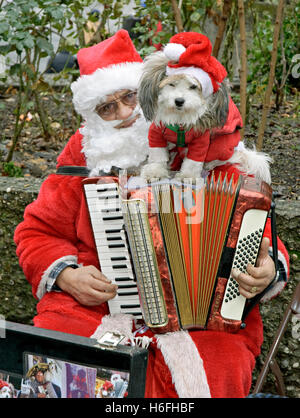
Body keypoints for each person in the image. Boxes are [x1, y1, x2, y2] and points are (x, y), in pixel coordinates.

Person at [14, 29, 289, 398]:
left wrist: (267, 270)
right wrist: (66, 275)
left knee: (217, 365)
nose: (125, 114)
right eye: (107, 108)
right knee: (58, 358)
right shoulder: (84, 155)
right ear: (95, 116)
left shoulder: (206, 147)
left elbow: (259, 230)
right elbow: (37, 231)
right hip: (96, 306)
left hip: (201, 316)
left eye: (129, 97)